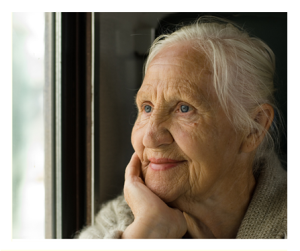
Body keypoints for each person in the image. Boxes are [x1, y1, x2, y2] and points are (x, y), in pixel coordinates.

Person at [76, 17, 287, 239]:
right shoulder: (118, 221)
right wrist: (146, 232)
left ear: (253, 128)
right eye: (147, 108)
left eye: (184, 108)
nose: (150, 137)